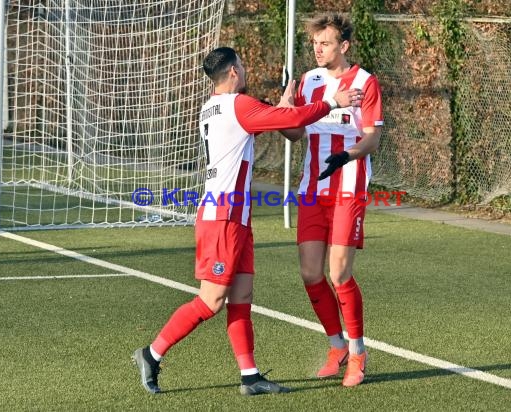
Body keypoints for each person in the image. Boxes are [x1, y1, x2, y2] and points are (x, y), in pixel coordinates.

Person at [132, 46, 363, 396]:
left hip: (233, 217)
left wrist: (287, 105)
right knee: (212, 300)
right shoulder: (237, 105)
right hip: (222, 217)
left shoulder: (214, 106)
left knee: (241, 297)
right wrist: (334, 102)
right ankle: (152, 353)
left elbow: (277, 118)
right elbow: (289, 121)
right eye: (242, 65)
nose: (245, 70)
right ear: (234, 73)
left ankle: (250, 376)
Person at [279, 14, 384, 387]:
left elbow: (371, 137)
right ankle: (336, 346)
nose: (318, 49)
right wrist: (285, 105)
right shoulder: (308, 81)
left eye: (325, 43)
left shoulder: (365, 81)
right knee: (310, 274)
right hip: (312, 190)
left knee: (339, 273)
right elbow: (293, 132)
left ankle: (357, 354)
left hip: (348, 188)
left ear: (344, 46)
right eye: (315, 44)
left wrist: (348, 155)